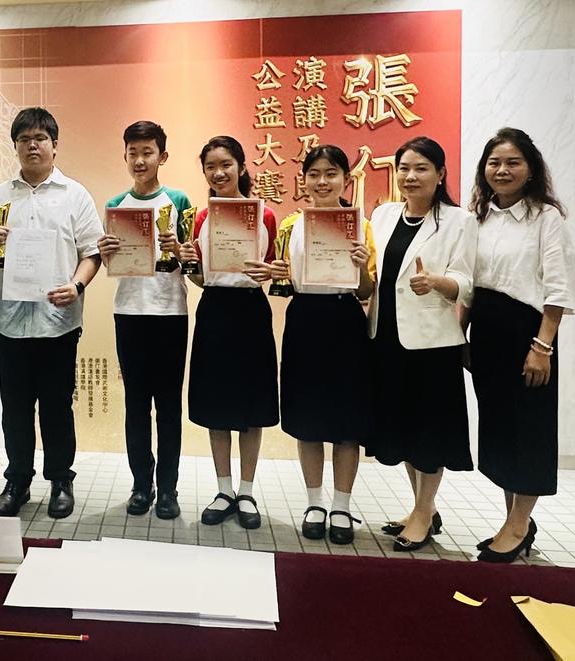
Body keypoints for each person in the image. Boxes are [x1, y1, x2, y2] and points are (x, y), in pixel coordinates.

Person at [0, 107, 103, 519]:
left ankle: (61, 480)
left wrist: (77, 286)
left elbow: (92, 252)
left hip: (58, 321)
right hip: (9, 320)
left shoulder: (75, 195)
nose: (32, 146)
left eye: (40, 138)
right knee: (14, 408)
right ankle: (17, 480)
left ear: (54, 145)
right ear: (15, 146)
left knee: (56, 407)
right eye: (24, 139)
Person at [465, 128, 575, 562]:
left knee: (529, 430)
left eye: (513, 162)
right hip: (486, 333)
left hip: (527, 335)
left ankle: (517, 526)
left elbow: (558, 289)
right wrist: (462, 336)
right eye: (494, 162)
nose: (502, 170)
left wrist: (542, 347)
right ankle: (514, 521)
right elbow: (470, 284)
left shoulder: (546, 218)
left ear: (531, 169)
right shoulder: (480, 217)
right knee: (500, 430)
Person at [367, 136, 476, 552]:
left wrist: (437, 282)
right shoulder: (383, 214)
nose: (410, 176)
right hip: (386, 338)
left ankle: (424, 512)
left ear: (440, 174)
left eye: (421, 168)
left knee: (429, 432)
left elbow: (467, 283)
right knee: (404, 429)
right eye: (404, 168)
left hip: (431, 344)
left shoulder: (458, 221)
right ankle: (421, 508)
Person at [269, 145, 375, 545]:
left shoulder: (361, 225)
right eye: (314, 174)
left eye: (331, 174)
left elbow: (366, 290)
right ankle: (315, 503)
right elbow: (285, 281)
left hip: (346, 320)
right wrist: (278, 272)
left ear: (346, 179)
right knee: (307, 417)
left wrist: (361, 265)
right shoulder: (292, 225)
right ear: (304, 181)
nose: (322, 181)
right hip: (305, 320)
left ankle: (342, 505)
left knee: (348, 420)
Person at [178, 136, 278, 530]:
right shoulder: (202, 218)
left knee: (253, 407)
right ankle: (223, 490)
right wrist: (189, 263)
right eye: (211, 167)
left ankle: (247, 491)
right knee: (216, 406)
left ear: (241, 166)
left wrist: (270, 273)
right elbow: (202, 278)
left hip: (251, 311)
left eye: (226, 165)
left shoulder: (265, 216)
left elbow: (273, 270)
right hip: (214, 310)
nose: (218, 173)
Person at [97, 121, 192, 520]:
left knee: (168, 406)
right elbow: (112, 266)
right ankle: (141, 485)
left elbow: (191, 261)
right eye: (133, 153)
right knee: (136, 405)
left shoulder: (179, 200)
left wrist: (180, 248)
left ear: (162, 157)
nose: (140, 160)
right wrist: (105, 252)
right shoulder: (116, 204)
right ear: (125, 156)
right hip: (129, 312)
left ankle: (168, 489)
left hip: (170, 312)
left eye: (147, 152)